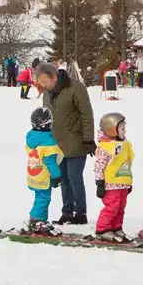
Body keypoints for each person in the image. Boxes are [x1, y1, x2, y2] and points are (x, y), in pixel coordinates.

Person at [35, 62, 95, 225]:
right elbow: (47, 117)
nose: (42, 85)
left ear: (54, 76)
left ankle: (80, 213)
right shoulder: (47, 94)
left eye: (44, 81)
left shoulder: (76, 88)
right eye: (40, 82)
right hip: (57, 143)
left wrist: (88, 138)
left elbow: (87, 114)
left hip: (76, 140)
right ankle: (67, 212)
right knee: (64, 179)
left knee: (74, 177)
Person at [93, 112, 135, 241]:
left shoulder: (125, 144)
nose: (125, 131)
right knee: (112, 207)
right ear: (111, 130)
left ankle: (116, 227)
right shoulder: (105, 147)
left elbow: (128, 161)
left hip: (123, 181)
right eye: (122, 128)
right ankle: (102, 229)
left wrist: (128, 182)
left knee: (121, 207)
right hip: (110, 183)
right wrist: (100, 183)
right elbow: (99, 166)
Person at [24, 107, 62, 234]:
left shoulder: (31, 137)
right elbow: (50, 161)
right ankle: (36, 220)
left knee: (40, 197)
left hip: (34, 172)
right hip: (44, 176)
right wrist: (57, 175)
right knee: (43, 198)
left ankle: (42, 220)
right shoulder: (48, 141)